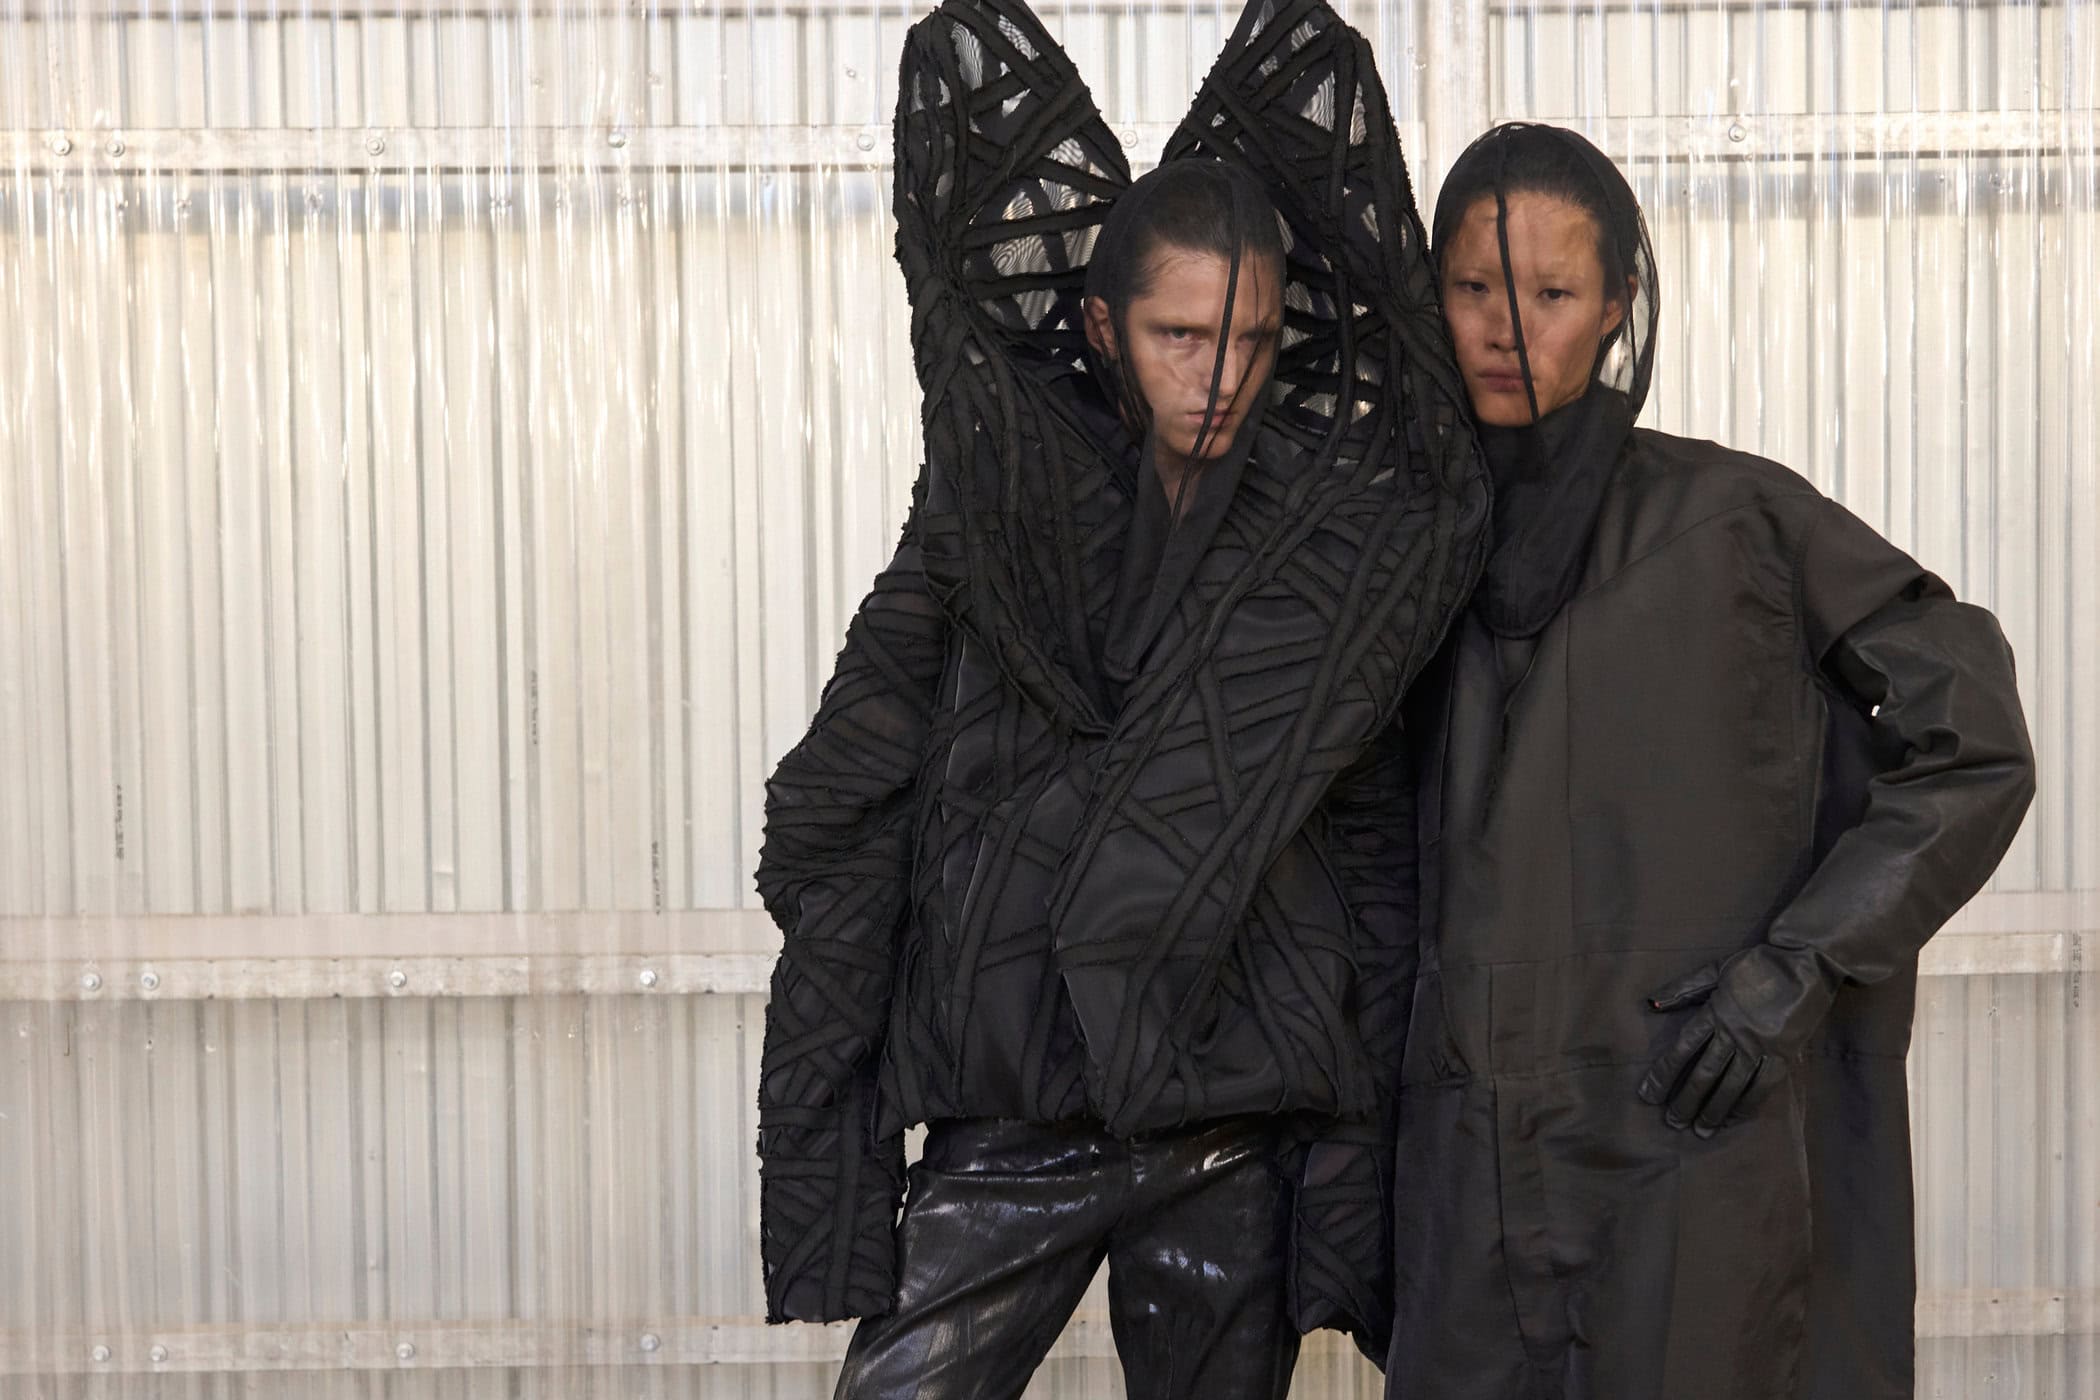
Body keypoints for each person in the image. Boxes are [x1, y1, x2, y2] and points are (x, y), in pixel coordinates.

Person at [752, 0, 1486, 1395]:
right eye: (1180, 334)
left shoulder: (1341, 555)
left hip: (1227, 1108)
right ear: (1102, 324)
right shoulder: (992, 504)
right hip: (1016, 1104)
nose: (1220, 377)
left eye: (1252, 339)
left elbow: (1375, 855)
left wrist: (1354, 1143)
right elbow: (852, 778)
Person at [1386, 122, 2036, 1400]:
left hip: (1687, 1141)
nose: (1507, 328)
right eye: (1471, 287)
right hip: (1466, 1172)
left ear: (1617, 303)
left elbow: (1974, 738)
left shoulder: (1737, 523)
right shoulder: (1390, 554)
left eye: (1552, 293)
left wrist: (1796, 969)